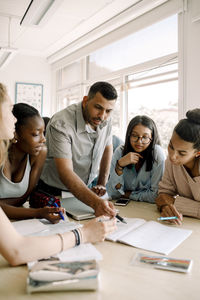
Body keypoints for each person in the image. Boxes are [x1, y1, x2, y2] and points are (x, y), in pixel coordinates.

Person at [0, 83, 116, 266]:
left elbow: (18, 201)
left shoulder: (36, 154)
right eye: (8, 108)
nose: (13, 118)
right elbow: (17, 251)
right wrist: (83, 234)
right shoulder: (62, 122)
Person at [39, 81, 118, 217]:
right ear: (85, 101)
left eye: (108, 111)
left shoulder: (106, 119)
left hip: (84, 191)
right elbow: (66, 172)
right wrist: (96, 203)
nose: (102, 115)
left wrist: (101, 183)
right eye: (98, 107)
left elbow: (107, 147)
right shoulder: (61, 123)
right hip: (54, 192)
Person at [0, 102, 64, 223]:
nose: (43, 139)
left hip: (16, 222)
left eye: (43, 132)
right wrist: (38, 213)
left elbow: (23, 198)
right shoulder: (1, 154)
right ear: (15, 133)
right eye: (35, 134)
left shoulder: (40, 153)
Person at [156, 109, 200, 225]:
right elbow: (162, 195)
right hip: (185, 224)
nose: (172, 156)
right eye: (171, 146)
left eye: (182, 153)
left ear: (198, 153)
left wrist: (176, 202)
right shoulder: (171, 163)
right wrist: (166, 206)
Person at [107, 115, 165, 203]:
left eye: (145, 137)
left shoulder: (157, 154)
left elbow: (156, 195)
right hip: (125, 208)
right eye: (134, 135)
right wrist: (119, 166)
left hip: (148, 209)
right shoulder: (120, 151)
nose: (139, 142)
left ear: (152, 138)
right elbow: (113, 193)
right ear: (129, 136)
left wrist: (129, 194)